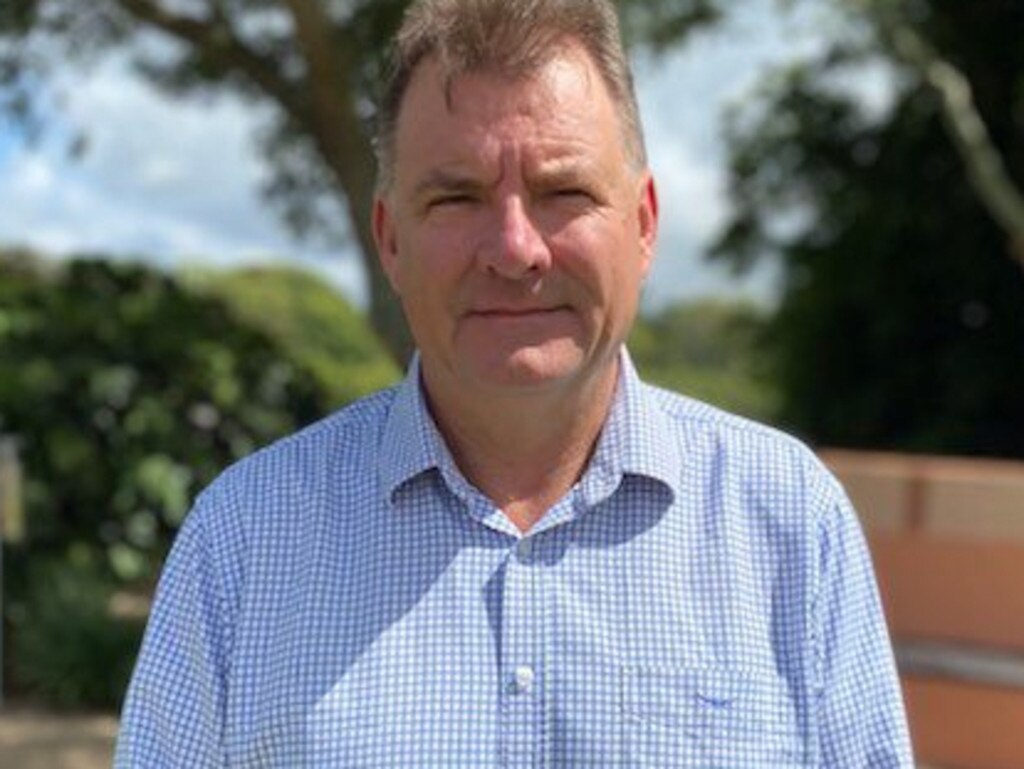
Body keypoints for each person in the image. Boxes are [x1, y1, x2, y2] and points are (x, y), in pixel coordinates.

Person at [114, 0, 913, 765]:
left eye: (564, 191)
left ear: (643, 224)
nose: (515, 247)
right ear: (390, 240)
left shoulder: (789, 523)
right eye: (457, 195)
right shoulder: (244, 541)